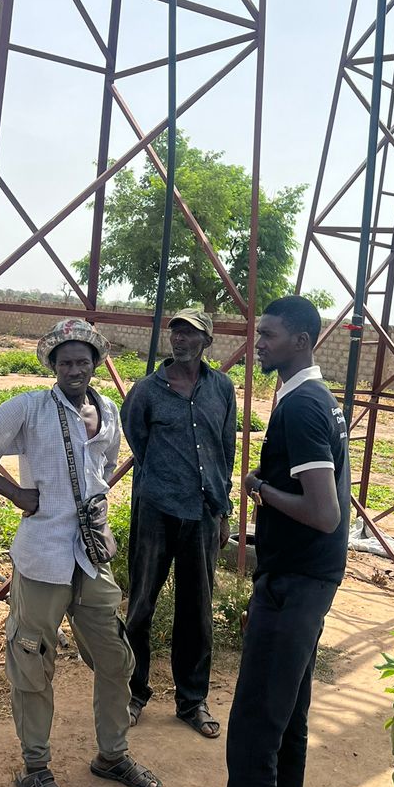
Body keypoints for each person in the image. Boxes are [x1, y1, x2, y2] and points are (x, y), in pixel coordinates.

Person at [167, 295, 350, 787]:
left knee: (250, 742)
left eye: (269, 334)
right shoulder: (314, 397)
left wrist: (259, 490)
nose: (258, 342)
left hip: (294, 588)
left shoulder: (300, 407)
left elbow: (323, 512)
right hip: (304, 581)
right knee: (286, 732)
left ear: (302, 339)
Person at [0, 317, 161, 787]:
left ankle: (112, 756)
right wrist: (15, 493)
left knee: (115, 658)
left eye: (83, 361)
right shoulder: (30, 408)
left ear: (96, 364)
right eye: (65, 363)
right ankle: (35, 768)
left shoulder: (109, 412)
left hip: (91, 556)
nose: (74, 370)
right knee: (33, 663)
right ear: (53, 366)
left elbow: (102, 471)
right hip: (42, 558)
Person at [120, 309, 236, 738]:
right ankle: (133, 693)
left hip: (203, 513)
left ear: (207, 341)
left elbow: (225, 451)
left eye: (189, 333)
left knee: (197, 611)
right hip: (156, 510)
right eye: (176, 332)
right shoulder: (147, 390)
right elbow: (137, 440)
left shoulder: (221, 388)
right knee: (140, 606)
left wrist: (223, 511)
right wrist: (164, 479)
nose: (180, 339)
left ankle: (192, 701)